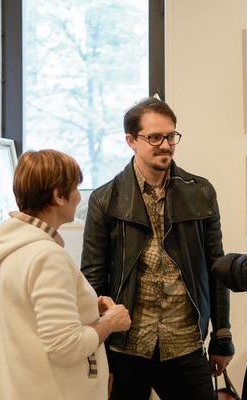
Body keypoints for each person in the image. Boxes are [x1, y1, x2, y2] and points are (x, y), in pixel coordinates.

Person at [81, 97, 234, 400]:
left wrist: (222, 336)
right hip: (126, 346)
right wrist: (97, 348)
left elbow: (216, 268)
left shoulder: (201, 192)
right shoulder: (105, 199)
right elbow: (93, 280)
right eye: (154, 138)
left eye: (170, 136)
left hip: (185, 342)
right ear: (131, 141)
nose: (165, 145)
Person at [0, 149, 131, 400]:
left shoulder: (12, 248)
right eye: (74, 188)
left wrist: (86, 308)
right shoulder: (47, 256)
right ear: (58, 196)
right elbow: (65, 347)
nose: (79, 197)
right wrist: (110, 323)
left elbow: (30, 319)